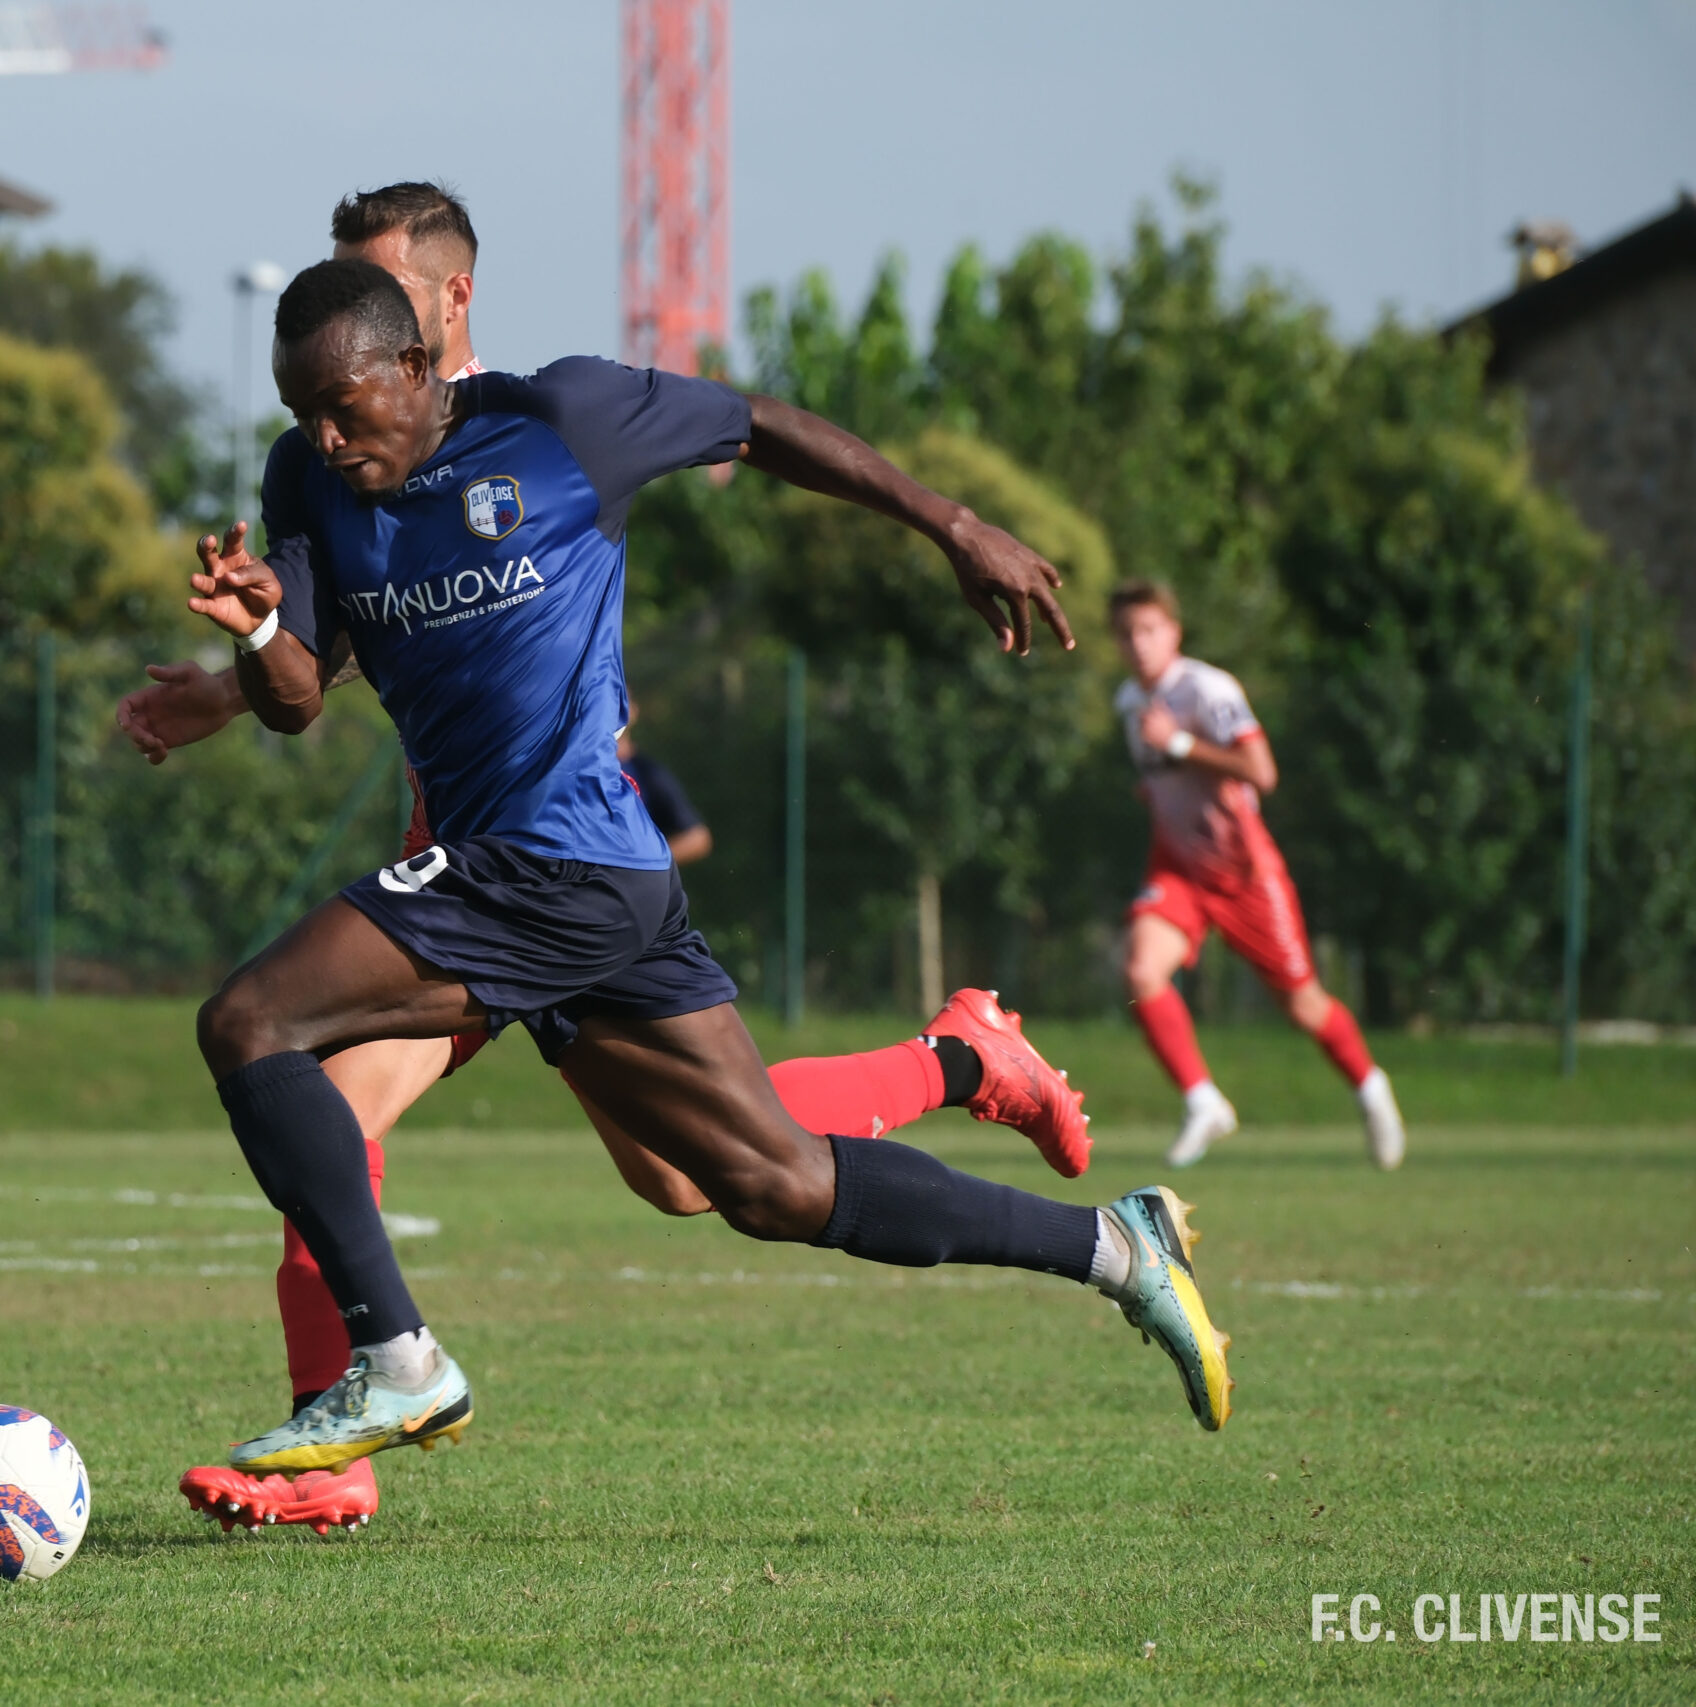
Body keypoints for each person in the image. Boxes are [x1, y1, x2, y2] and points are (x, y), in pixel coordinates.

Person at [180, 260, 1236, 1490]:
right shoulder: (303, 476)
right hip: (574, 893)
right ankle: (1117, 1247)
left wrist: (952, 524)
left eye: (343, 402)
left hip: (551, 863)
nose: (322, 432)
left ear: (417, 365)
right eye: (300, 406)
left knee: (249, 1023)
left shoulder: (559, 420)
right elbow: (298, 698)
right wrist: (259, 630)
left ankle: (398, 1358)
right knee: (763, 1179)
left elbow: (759, 424)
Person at [1108, 580, 1405, 1170]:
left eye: (1149, 629)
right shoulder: (1127, 702)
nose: (1138, 644)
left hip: (1243, 871)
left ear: (1175, 632)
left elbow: (1261, 771)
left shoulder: (1207, 687)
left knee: (1303, 1006)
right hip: (1178, 868)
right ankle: (1204, 1102)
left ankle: (1372, 1089)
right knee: (1141, 969)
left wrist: (1183, 743)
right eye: (1125, 632)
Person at [616, 695, 710, 864]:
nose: (615, 706)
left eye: (623, 698)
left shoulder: (647, 772)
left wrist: (641, 863)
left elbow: (697, 838)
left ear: (634, 711)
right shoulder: (571, 766)